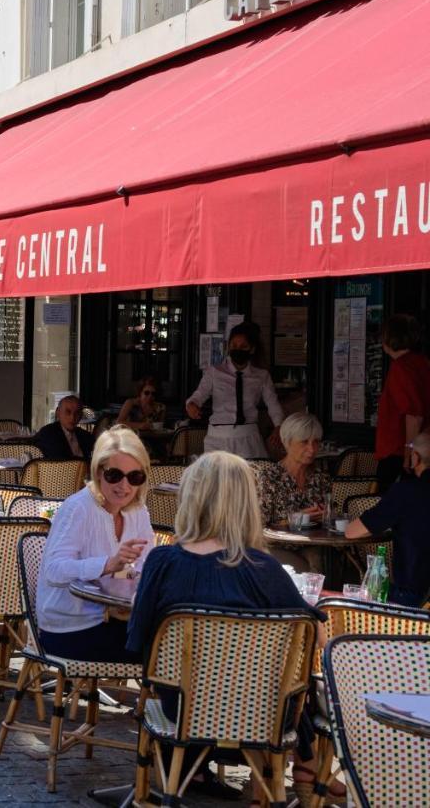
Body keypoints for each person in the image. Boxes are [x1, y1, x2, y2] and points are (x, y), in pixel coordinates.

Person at [126, 451, 333, 801]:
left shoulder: (162, 562)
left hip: (183, 710)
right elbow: (316, 638)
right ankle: (304, 768)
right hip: (262, 717)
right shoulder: (266, 570)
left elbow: (137, 642)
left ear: (191, 498)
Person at [36, 427, 153, 661]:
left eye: (134, 477)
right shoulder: (79, 507)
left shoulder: (138, 512)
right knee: (166, 651)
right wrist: (109, 564)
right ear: (99, 472)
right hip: (69, 627)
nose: (124, 486)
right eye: (114, 475)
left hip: (114, 618)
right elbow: (53, 571)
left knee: (178, 641)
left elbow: (141, 569)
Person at [346, 432, 430, 607]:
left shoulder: (406, 492)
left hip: (414, 598)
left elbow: (352, 532)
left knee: (356, 594)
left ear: (415, 458)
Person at [186, 322, 283, 458]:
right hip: (218, 438)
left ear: (252, 349)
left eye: (243, 346)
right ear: (228, 347)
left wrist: (278, 425)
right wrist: (192, 405)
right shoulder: (214, 372)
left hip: (248, 437)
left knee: (250, 477)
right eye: (234, 346)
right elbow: (199, 395)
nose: (238, 349)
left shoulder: (261, 376)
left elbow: (273, 403)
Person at [256, 411, 330, 573]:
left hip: (316, 546)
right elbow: (259, 528)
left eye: (316, 442)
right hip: (278, 548)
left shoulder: (320, 477)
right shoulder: (270, 477)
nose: (312, 449)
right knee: (312, 565)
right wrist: (297, 519)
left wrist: (326, 515)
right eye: (304, 442)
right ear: (287, 443)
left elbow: (327, 518)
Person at [373, 314, 430, 492]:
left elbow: (413, 415)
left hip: (398, 452)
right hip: (421, 448)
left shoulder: (401, 367)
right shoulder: (422, 362)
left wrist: (408, 452)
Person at [33, 394, 95, 462]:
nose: (72, 417)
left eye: (77, 413)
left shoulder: (85, 436)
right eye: (68, 412)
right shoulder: (48, 434)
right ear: (58, 413)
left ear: (81, 416)